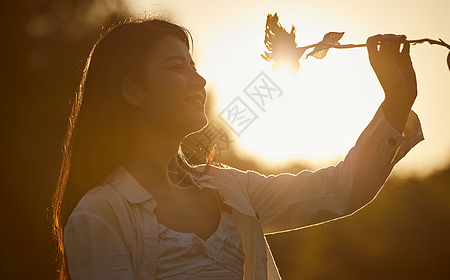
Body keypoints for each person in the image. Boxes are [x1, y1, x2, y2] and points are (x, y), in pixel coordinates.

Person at [52, 16, 424, 280]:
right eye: (175, 67)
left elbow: (340, 190)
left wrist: (396, 101)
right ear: (132, 90)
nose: (198, 79)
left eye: (194, 65)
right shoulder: (100, 214)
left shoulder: (231, 189)